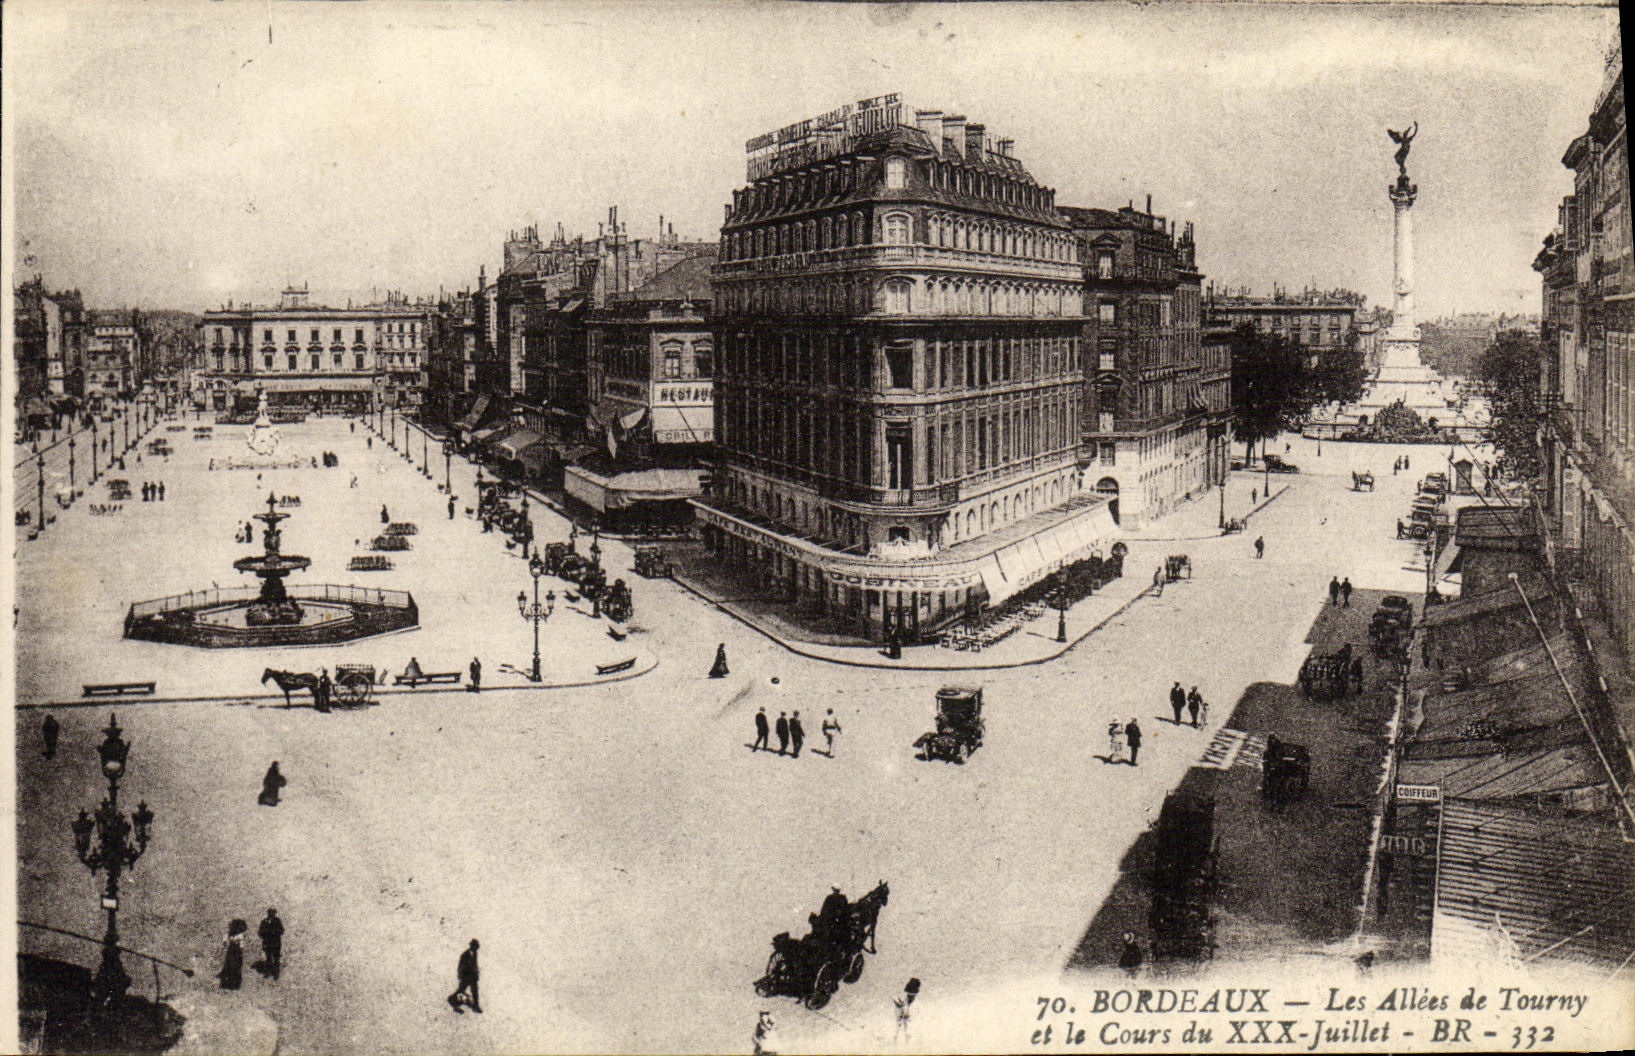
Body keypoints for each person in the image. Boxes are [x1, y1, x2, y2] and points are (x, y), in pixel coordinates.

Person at [449, 939, 481, 1013]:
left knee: (475, 991)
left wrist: (476, 971)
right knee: (461, 989)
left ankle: (476, 1006)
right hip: (466, 977)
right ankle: (453, 1001)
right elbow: (461, 967)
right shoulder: (465, 955)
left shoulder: (475, 953)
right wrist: (461, 977)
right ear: (472, 946)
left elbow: (474, 964)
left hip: (473, 977)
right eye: (475, 946)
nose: (476, 948)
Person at [219, 919, 247, 990]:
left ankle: (234, 984)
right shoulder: (228, 935)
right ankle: (227, 983)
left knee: (235, 967)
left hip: (236, 953)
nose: (230, 928)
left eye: (231, 927)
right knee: (229, 966)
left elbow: (241, 946)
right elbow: (225, 943)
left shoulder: (239, 936)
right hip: (230, 952)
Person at [258, 908, 284, 980]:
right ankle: (268, 972)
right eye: (270, 913)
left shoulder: (277, 921)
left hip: (276, 943)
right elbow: (260, 932)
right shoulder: (264, 922)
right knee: (268, 958)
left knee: (276, 958)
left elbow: (282, 931)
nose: (271, 914)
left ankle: (276, 973)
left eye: (273, 913)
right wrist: (265, 934)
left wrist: (274, 932)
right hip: (267, 943)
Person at [895, 978, 921, 1044]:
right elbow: (898, 1018)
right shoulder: (902, 1002)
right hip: (902, 1031)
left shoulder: (917, 1004)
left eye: (912, 995)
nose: (910, 997)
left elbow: (917, 1020)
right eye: (909, 995)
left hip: (913, 1031)